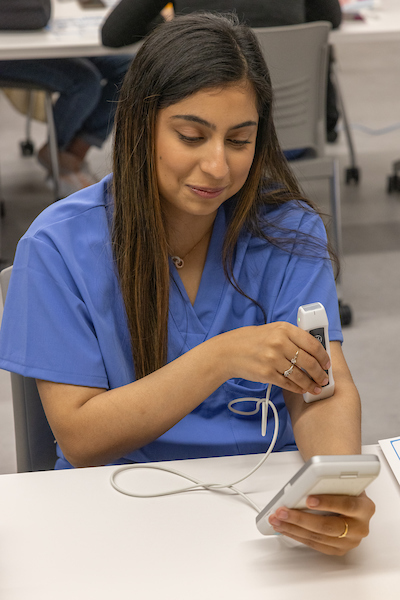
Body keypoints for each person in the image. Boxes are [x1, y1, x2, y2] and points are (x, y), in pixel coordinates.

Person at [0, 13, 374, 555]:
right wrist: (220, 358)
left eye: (240, 140)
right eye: (191, 136)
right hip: (115, 512)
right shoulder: (59, 248)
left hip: (262, 509)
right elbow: (81, 440)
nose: (217, 166)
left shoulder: (287, 231)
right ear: (139, 124)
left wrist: (333, 486)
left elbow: (323, 390)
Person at [101, 0, 342, 142]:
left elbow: (113, 33)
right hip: (294, 135)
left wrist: (174, 28)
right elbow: (331, 19)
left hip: (202, 141)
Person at [0, 55, 133, 196]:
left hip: (53, 45)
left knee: (130, 68)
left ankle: (69, 156)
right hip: (10, 51)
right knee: (84, 81)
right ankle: (58, 154)